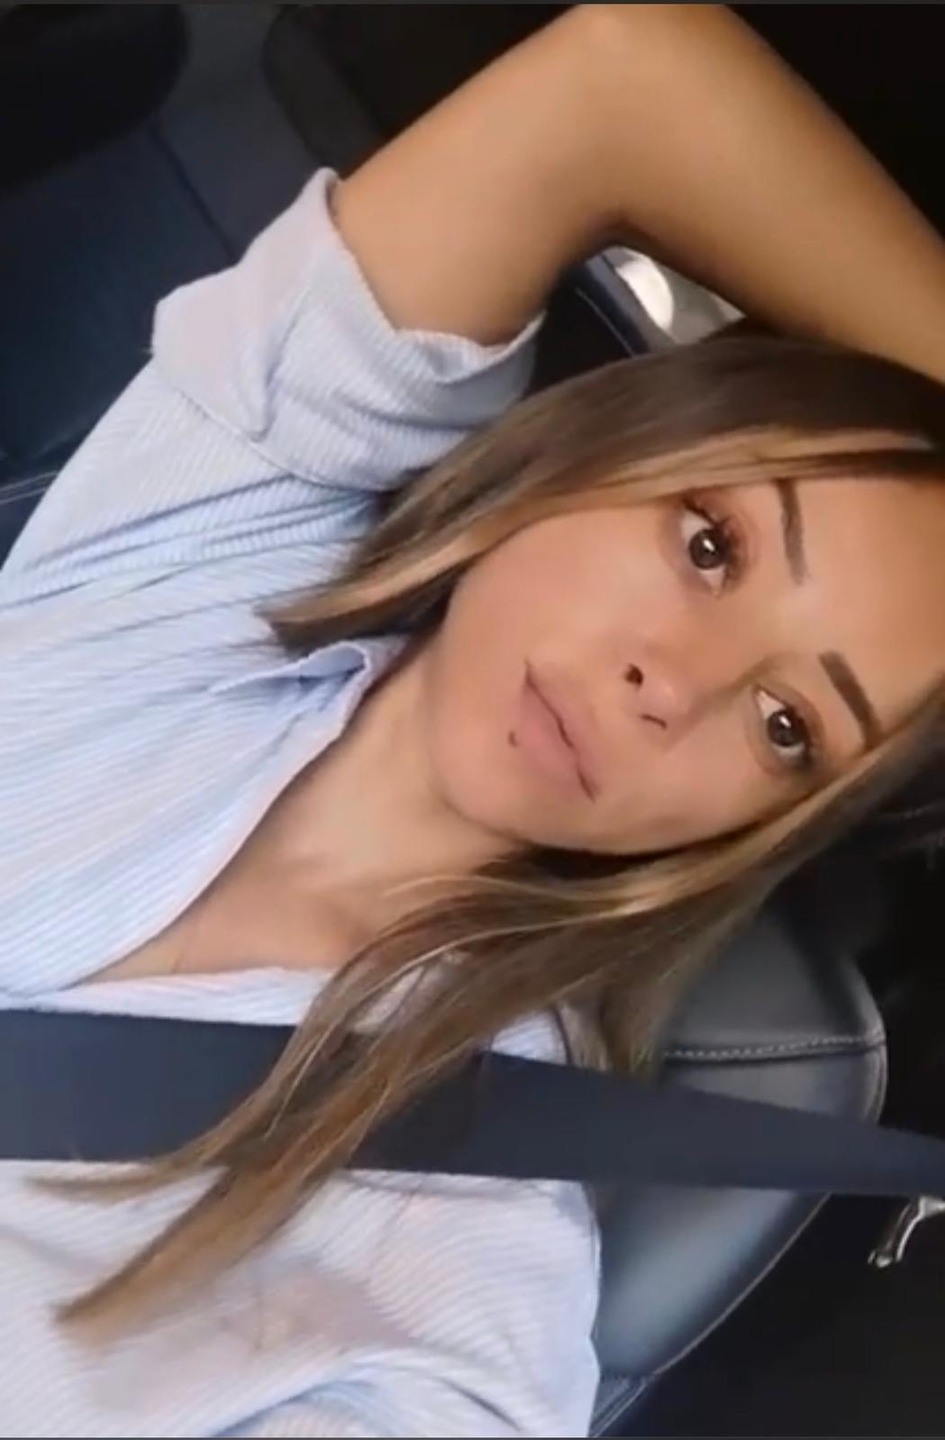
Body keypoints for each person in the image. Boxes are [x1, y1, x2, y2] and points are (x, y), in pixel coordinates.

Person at [2, 5, 945, 1436]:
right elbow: (625, 81)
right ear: (602, 449)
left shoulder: (464, 1266)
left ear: (768, 825)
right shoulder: (199, 554)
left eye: (784, 726)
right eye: (709, 545)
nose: (672, 687)